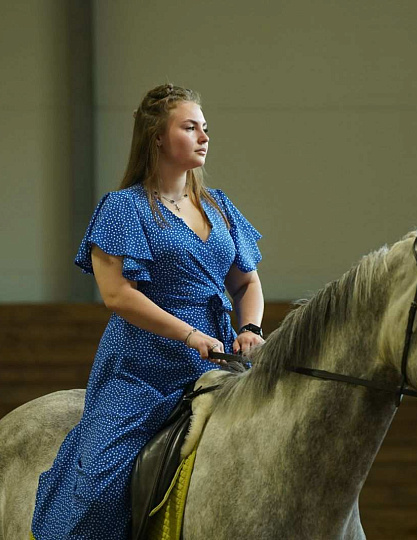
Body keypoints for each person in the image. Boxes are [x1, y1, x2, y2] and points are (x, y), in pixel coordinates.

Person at [31, 83, 264, 539]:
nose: (204, 137)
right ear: (157, 137)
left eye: (206, 128)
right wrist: (188, 335)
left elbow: (247, 281)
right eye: (190, 127)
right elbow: (117, 295)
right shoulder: (123, 208)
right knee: (95, 488)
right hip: (145, 365)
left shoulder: (220, 207)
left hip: (220, 360)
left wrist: (251, 326)